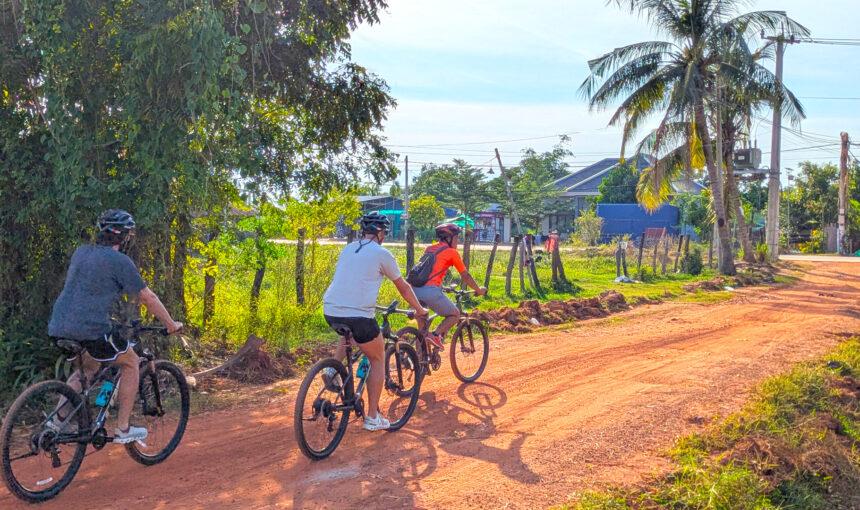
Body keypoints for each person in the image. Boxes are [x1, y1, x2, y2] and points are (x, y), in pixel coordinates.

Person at [48, 209, 183, 443]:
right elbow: (147, 297)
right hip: (89, 327)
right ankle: (123, 428)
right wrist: (171, 324)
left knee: (86, 370)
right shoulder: (120, 261)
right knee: (130, 362)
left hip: (59, 324)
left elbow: (91, 288)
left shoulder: (81, 253)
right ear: (123, 237)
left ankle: (55, 423)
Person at [322, 211, 429, 431]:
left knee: (348, 333)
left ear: (364, 231)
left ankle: (332, 371)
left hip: (330, 310)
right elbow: (403, 287)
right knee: (377, 357)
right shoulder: (382, 254)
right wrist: (419, 309)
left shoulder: (348, 248)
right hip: (359, 314)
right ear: (380, 232)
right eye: (385, 232)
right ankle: (372, 418)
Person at [412, 223, 486, 350]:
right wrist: (478, 290)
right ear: (449, 238)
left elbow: (428, 271)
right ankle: (435, 335)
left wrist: (441, 286)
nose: (458, 241)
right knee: (455, 314)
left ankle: (419, 360)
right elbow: (465, 276)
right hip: (430, 292)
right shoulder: (452, 253)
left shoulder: (429, 248)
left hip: (413, 291)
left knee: (422, 331)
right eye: (456, 238)